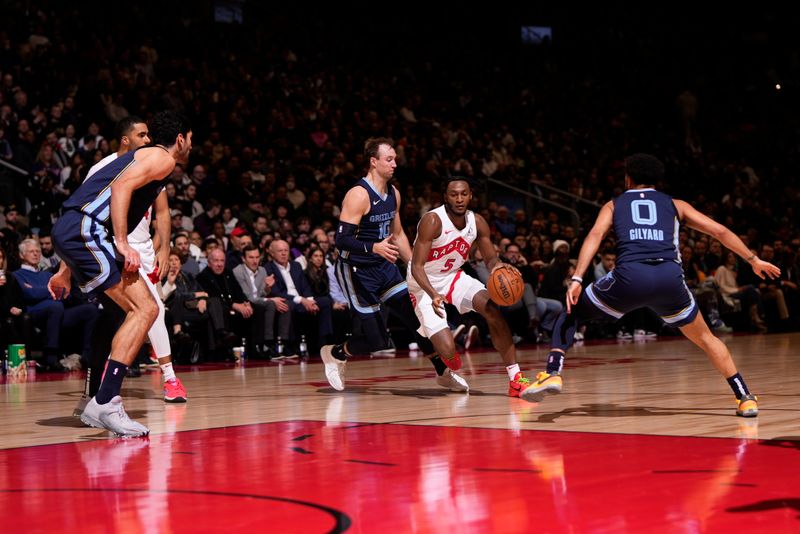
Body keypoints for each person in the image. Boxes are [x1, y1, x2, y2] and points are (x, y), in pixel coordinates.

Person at [527, 153, 780, 417]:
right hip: (669, 280)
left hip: (630, 277)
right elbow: (720, 232)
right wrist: (753, 259)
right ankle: (744, 397)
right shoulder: (675, 204)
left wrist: (578, 278)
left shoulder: (614, 204)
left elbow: (595, 235)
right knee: (706, 338)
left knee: (573, 311)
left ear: (628, 178)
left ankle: (553, 372)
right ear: (657, 180)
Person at [48, 110, 193, 437]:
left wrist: (64, 270)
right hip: (88, 231)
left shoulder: (142, 158)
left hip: (75, 230)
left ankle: (95, 396)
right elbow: (121, 188)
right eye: (192, 140)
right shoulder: (162, 158)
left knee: (116, 311)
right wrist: (124, 242)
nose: (192, 147)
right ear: (181, 139)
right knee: (147, 308)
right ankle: (107, 401)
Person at [321, 137, 467, 392]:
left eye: (395, 159)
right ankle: (336, 353)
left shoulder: (393, 193)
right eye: (389, 159)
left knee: (415, 319)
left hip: (384, 267)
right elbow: (341, 240)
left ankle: (442, 372)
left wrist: (414, 268)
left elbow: (398, 235)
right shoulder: (358, 195)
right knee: (377, 341)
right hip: (355, 271)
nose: (395, 164)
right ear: (373, 162)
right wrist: (373, 247)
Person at [81, 115, 187, 405]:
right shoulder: (102, 169)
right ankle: (167, 377)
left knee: (144, 312)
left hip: (143, 249)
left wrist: (164, 248)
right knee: (145, 311)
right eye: (141, 135)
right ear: (125, 139)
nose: (147, 140)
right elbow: (85, 208)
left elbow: (162, 212)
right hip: (115, 248)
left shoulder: (150, 162)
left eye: (148, 135)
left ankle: (102, 388)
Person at [408, 177, 539, 400]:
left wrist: (500, 267)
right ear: (445, 197)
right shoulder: (432, 221)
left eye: (463, 194)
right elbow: (417, 267)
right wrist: (433, 294)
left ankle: (516, 379)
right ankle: (442, 355)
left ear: (470, 196)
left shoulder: (477, 222)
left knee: (492, 309)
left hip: (453, 277)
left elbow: (490, 260)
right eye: (453, 194)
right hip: (423, 284)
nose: (459, 199)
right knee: (450, 354)